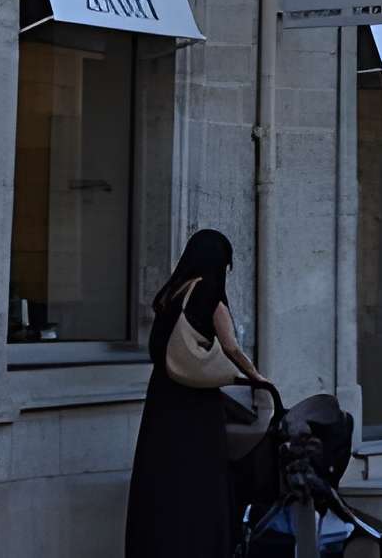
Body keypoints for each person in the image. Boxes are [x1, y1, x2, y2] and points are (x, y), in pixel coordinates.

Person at [126, 229, 269, 558]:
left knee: (164, 479)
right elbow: (231, 346)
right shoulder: (209, 290)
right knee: (199, 480)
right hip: (194, 400)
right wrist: (257, 378)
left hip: (163, 397)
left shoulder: (174, 291)